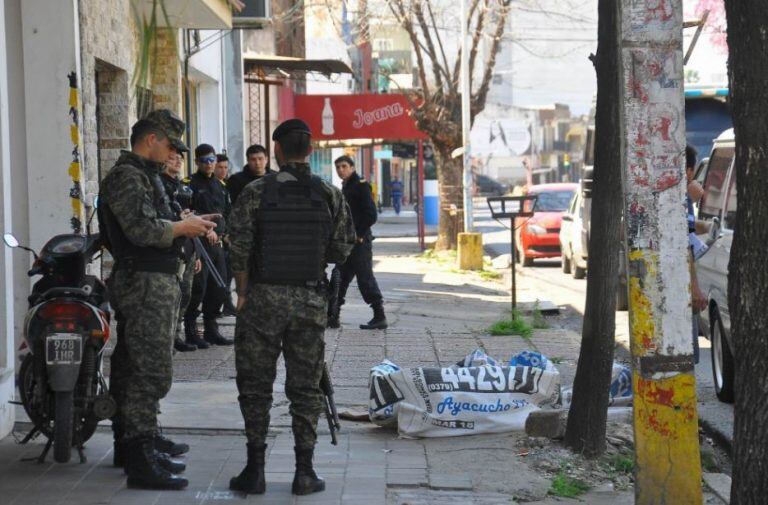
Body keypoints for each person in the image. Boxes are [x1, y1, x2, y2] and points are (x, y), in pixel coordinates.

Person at [227, 119, 355, 496]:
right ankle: (304, 472)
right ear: (311, 152)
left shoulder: (255, 192)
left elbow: (238, 247)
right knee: (305, 387)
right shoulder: (329, 193)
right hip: (309, 300)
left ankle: (255, 469)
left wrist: (243, 291)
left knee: (255, 384)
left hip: (262, 299)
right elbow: (343, 246)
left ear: (277, 151)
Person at [98, 109, 218, 489]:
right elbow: (141, 229)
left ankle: (137, 443)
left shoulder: (144, 176)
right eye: (169, 145)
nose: (171, 154)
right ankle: (139, 455)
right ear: (151, 139)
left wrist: (185, 221)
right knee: (148, 371)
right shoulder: (128, 177)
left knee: (136, 366)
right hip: (145, 283)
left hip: (155, 280)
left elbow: (155, 219)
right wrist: (182, 227)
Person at [328, 155, 388, 330]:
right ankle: (332, 316)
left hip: (359, 243)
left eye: (344, 166)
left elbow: (371, 214)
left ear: (352, 167)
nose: (341, 170)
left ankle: (379, 315)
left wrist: (359, 234)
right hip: (346, 242)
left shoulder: (360, 186)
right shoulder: (346, 186)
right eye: (338, 167)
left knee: (365, 279)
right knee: (339, 278)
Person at [183, 144, 234, 346]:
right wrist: (207, 230)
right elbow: (186, 214)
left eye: (212, 160)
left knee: (219, 288)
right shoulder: (189, 184)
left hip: (218, 244)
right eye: (204, 161)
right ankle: (191, 331)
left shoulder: (221, 186)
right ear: (197, 162)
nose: (209, 164)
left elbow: (227, 213)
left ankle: (212, 330)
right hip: (198, 243)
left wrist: (225, 233)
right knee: (198, 289)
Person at [160, 149, 202, 352]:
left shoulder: (184, 188)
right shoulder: (158, 185)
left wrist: (197, 253)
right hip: (171, 248)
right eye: (172, 158)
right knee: (172, 295)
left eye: (179, 159)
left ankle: (177, 333)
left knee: (186, 293)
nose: (176, 162)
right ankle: (170, 336)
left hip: (188, 246)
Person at [686, 145, 708, 364]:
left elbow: (691, 227)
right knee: (687, 356)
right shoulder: (679, 198)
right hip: (682, 290)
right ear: (690, 171)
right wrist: (694, 287)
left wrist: (711, 227)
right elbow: (685, 243)